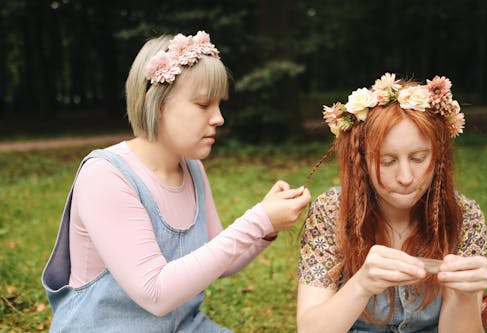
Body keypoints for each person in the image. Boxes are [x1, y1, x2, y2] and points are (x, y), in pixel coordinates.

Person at [42, 31, 311, 332]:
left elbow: (220, 261)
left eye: (219, 104)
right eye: (203, 104)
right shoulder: (106, 175)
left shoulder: (192, 167)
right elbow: (154, 293)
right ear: (156, 103)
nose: (219, 118)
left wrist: (267, 226)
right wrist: (258, 220)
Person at [297, 73, 487, 333]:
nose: (406, 177)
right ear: (362, 163)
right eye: (387, 161)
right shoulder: (332, 211)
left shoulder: (464, 215)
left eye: (418, 158)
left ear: (439, 157)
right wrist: (362, 284)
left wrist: (465, 296)